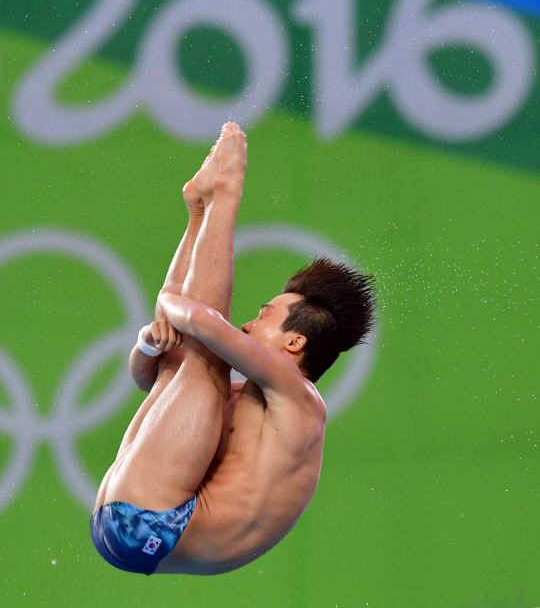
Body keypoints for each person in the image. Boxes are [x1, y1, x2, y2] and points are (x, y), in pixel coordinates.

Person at [90, 122, 376, 576]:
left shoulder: (300, 399)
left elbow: (202, 320)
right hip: (134, 528)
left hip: (155, 524)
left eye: (264, 315)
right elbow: (149, 379)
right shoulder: (252, 401)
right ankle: (199, 209)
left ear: (295, 342)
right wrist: (148, 343)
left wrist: (170, 305)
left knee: (205, 351)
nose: (248, 322)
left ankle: (223, 195)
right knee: (187, 358)